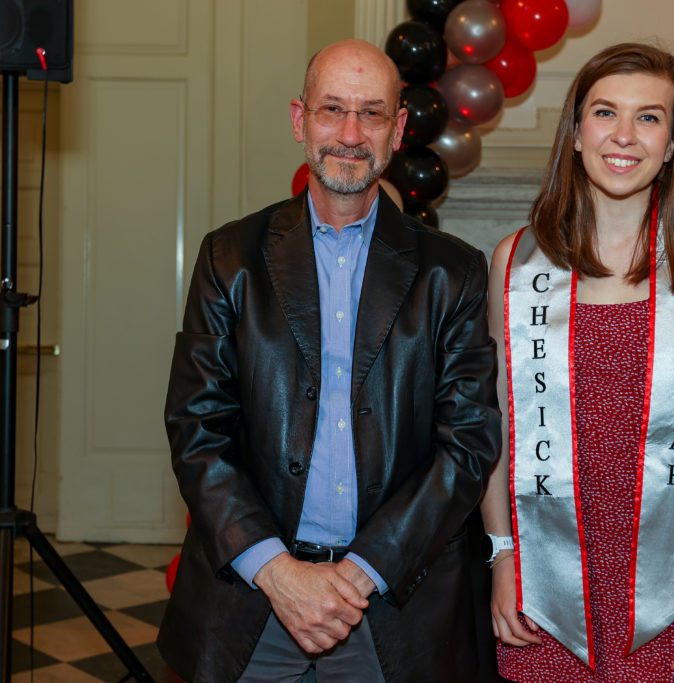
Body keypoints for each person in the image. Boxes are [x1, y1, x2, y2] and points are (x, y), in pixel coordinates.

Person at [158, 40, 501, 682]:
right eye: (331, 110)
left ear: (398, 129)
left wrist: (357, 576)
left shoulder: (452, 273)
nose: (349, 134)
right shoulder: (228, 258)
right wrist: (281, 574)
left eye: (371, 113)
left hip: (395, 607)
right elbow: (196, 430)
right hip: (253, 602)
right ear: (299, 120)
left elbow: (469, 445)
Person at [480, 43, 674, 682]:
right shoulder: (516, 264)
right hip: (545, 574)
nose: (624, 135)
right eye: (605, 113)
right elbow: (496, 423)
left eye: (650, 117)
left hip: (672, 570)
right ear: (576, 134)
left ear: (673, 143)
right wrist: (502, 559)